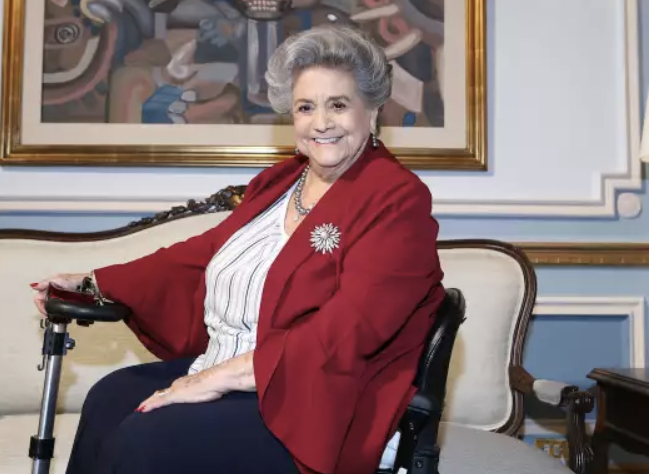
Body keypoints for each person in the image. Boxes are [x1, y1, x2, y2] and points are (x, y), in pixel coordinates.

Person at [32, 24, 445, 474]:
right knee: (108, 398)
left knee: (147, 439)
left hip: (320, 399)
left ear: (373, 110)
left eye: (339, 105)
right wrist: (96, 281)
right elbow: (203, 252)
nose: (321, 123)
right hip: (236, 373)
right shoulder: (281, 181)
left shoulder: (396, 199)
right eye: (306, 107)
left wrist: (214, 380)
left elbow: (349, 330)